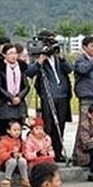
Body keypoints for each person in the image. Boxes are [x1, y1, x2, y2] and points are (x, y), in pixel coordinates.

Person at [25, 30, 73, 163]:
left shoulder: (58, 57)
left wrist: (62, 57)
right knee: (49, 125)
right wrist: (40, 60)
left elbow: (69, 69)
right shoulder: (37, 56)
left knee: (61, 125)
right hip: (48, 95)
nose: (51, 47)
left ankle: (58, 153)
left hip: (62, 95)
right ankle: (47, 151)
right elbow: (30, 72)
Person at [0, 43, 30, 142]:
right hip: (5, 103)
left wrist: (19, 97)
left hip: (19, 104)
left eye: (15, 53)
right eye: (10, 53)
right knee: (3, 131)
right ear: (4, 54)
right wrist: (11, 97)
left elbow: (26, 86)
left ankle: (17, 153)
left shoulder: (21, 67)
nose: (13, 56)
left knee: (17, 131)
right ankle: (3, 154)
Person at [0, 120, 29, 187]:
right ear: (8, 131)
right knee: (12, 161)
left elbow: (25, 151)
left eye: (19, 130)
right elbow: (2, 155)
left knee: (22, 160)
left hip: (18, 162)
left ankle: (24, 178)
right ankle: (7, 178)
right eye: (15, 130)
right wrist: (11, 154)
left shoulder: (20, 141)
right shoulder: (3, 141)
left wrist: (21, 154)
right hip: (6, 163)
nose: (17, 132)